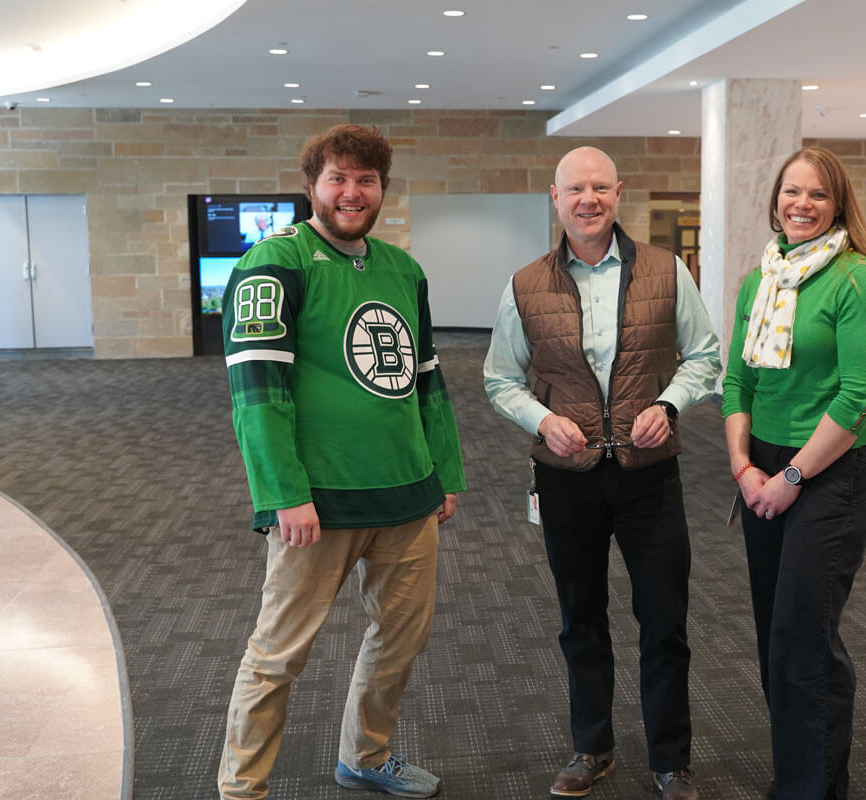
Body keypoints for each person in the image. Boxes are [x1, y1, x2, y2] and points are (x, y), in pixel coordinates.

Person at [217, 124, 466, 800]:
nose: (352, 192)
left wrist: (444, 474)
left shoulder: (402, 270)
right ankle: (242, 788)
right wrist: (282, 493)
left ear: (382, 188)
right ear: (311, 187)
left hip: (407, 497)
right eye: (339, 179)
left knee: (399, 641)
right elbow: (257, 393)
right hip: (317, 504)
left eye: (366, 180)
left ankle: (365, 755)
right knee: (278, 656)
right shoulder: (275, 264)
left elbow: (426, 381)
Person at [484, 146, 721, 800]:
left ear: (619, 194)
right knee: (579, 617)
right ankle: (592, 748)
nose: (587, 200)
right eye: (574, 190)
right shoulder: (526, 284)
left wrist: (669, 404)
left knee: (664, 620)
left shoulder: (667, 271)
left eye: (599, 188)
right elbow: (500, 379)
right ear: (555, 199)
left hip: (650, 476)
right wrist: (542, 420)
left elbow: (704, 357)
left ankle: (672, 759)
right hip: (567, 477)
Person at [722, 146, 866, 799]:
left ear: (837, 204)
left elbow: (859, 397)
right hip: (761, 465)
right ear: (775, 200)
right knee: (777, 637)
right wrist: (743, 467)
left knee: (804, 638)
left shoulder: (855, 279)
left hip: (831, 471)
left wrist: (790, 478)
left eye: (818, 195)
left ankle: (810, 790)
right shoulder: (759, 281)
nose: (802, 204)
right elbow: (738, 380)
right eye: (792, 192)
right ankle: (797, 776)